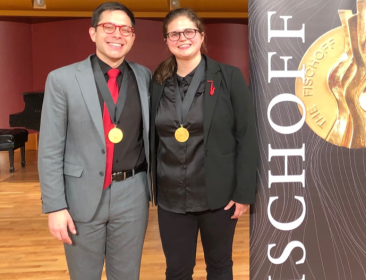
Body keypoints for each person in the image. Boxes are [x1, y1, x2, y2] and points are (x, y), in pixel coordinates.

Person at [38, 2, 152, 279]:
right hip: (81, 195)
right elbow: (50, 148)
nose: (117, 34)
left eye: (126, 29)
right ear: (93, 33)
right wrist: (55, 206)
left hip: (133, 193)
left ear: (133, 37)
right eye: (108, 27)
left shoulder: (145, 76)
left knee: (127, 275)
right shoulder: (62, 79)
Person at [149, 8, 258, 280]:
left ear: (201, 36)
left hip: (219, 198)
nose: (182, 38)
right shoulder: (156, 83)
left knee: (220, 267)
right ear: (166, 40)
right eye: (174, 33)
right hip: (172, 198)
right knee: (177, 271)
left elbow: (247, 135)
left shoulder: (229, 77)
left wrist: (244, 193)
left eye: (189, 31)